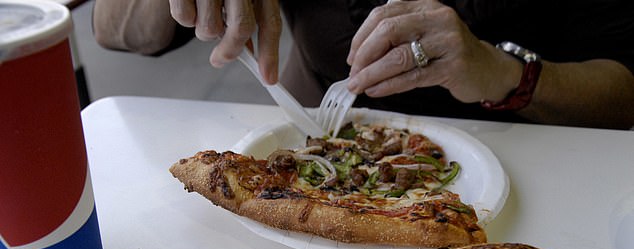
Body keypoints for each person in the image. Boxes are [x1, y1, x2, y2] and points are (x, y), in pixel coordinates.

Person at [93, 0, 634, 130]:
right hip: (321, 154)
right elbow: (108, 23)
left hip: (533, 163)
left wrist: (506, 74)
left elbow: (622, 93)